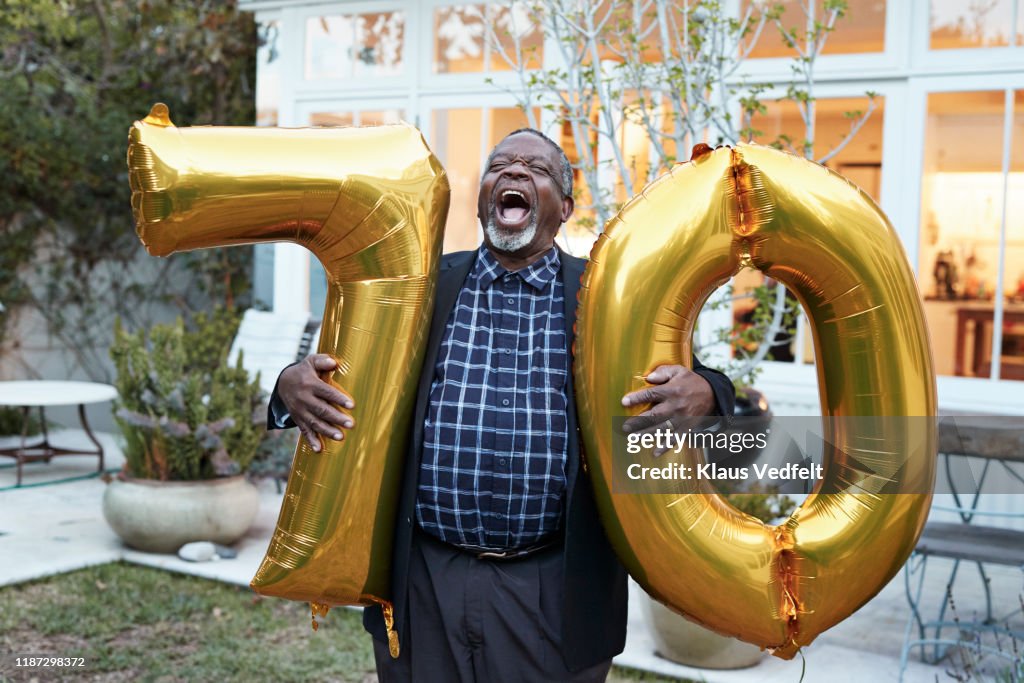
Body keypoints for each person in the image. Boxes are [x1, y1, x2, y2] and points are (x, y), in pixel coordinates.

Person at [269, 129, 735, 682]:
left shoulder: (608, 297)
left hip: (553, 589)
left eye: (535, 168)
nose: (513, 172)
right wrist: (286, 387)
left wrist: (706, 393)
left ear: (564, 207)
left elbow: (700, 386)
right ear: (482, 196)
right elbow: (336, 375)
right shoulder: (422, 288)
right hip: (424, 580)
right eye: (500, 165)